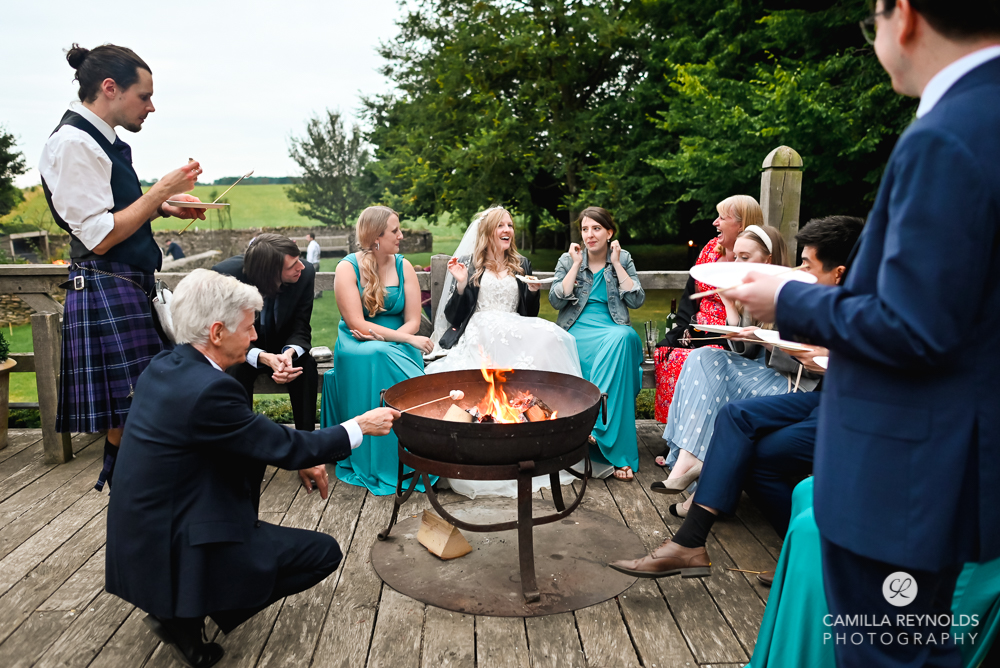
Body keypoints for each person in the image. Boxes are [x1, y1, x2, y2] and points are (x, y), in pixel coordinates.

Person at [727, 3, 1000, 665]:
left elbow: (915, 327)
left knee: (889, 655)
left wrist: (787, 297)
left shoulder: (950, 136)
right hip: (959, 457)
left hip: (906, 477)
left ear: (902, 16)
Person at [105, 269, 399, 668]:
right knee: (323, 553)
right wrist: (360, 426)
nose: (256, 335)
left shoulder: (165, 364)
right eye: (249, 327)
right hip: (176, 540)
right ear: (217, 332)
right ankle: (187, 612)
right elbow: (284, 445)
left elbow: (248, 437)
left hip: (142, 534)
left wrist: (296, 454)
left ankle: (186, 605)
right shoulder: (211, 389)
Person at [38, 43, 208, 491]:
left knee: (138, 408)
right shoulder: (73, 143)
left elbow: (110, 211)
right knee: (138, 408)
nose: (151, 107)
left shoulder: (98, 140)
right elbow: (98, 235)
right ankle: (135, 496)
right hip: (105, 285)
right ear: (110, 88)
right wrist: (158, 193)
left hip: (125, 285)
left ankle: (134, 492)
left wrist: (164, 206)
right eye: (144, 96)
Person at [426, 206, 582, 498]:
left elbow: (529, 314)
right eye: (501, 225)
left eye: (510, 225)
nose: (508, 230)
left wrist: (533, 293)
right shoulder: (472, 265)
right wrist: (461, 284)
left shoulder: (522, 264)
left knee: (553, 336)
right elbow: (454, 316)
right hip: (481, 327)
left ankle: (544, 426)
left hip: (515, 325)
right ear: (488, 231)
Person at [655, 225, 822, 496]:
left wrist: (766, 341)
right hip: (758, 372)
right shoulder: (754, 290)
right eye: (735, 257)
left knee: (710, 370)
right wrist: (730, 306)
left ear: (767, 259)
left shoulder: (795, 293)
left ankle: (697, 477)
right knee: (701, 356)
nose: (737, 264)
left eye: (745, 257)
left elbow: (806, 363)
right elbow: (746, 350)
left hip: (789, 383)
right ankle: (689, 458)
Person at [322, 206, 434, 495]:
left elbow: (413, 321)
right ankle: (382, 461)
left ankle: (424, 446)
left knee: (385, 352)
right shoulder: (347, 268)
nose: (401, 235)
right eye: (395, 231)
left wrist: (395, 339)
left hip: (397, 340)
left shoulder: (403, 266)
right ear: (376, 237)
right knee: (378, 354)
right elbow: (356, 323)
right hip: (357, 344)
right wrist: (404, 341)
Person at [652, 195, 762, 464]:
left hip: (728, 334)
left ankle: (696, 441)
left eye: (722, 217)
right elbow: (691, 292)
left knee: (692, 361)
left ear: (741, 224)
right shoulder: (711, 249)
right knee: (668, 354)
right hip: (697, 326)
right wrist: (682, 329)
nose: (715, 222)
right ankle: (675, 439)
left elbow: (748, 317)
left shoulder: (751, 260)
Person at [549, 206, 645, 481]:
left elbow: (636, 300)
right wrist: (575, 265)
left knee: (625, 337)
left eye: (596, 228)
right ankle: (589, 430)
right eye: (585, 229)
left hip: (611, 328)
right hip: (576, 330)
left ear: (609, 232)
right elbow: (556, 300)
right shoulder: (568, 259)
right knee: (561, 344)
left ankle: (597, 429)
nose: (589, 235)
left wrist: (616, 264)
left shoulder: (623, 258)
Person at [213, 234, 318, 432]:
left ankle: (307, 441)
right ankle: (240, 437)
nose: (301, 267)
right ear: (271, 271)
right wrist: (263, 357)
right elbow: (227, 333)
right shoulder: (227, 277)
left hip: (283, 347)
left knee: (306, 366)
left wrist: (288, 354)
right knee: (235, 368)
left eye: (299, 259)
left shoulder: (304, 274)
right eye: (292, 265)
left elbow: (301, 325)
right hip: (242, 348)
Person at [305, 232, 322, 299]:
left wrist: (309, 265)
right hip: (317, 262)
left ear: (311, 238)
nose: (306, 238)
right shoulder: (316, 244)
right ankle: (319, 292)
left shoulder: (312, 246)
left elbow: (310, 256)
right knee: (317, 277)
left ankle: (315, 293)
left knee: (313, 279)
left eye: (308, 237)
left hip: (313, 263)